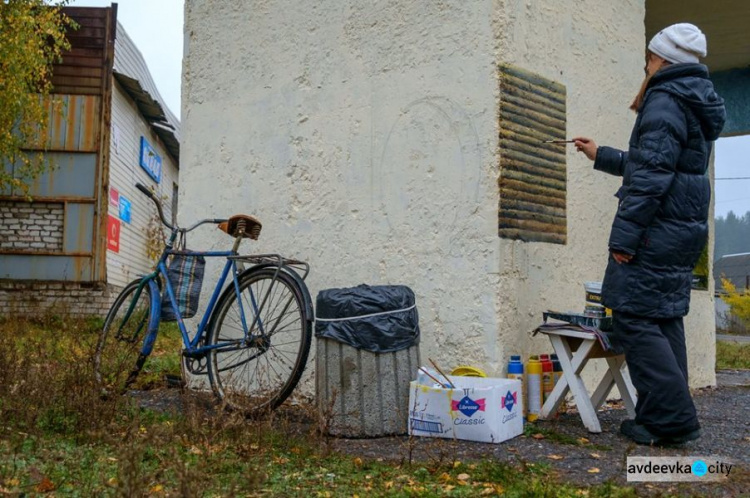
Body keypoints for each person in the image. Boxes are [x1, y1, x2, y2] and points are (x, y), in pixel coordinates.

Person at [574, 23, 726, 445]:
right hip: (680, 230)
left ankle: (673, 418)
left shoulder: (664, 102)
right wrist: (600, 154)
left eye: (649, 55)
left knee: (633, 316)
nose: (645, 62)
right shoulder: (690, 101)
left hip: (656, 230)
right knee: (662, 316)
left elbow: (651, 179)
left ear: (662, 59)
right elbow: (657, 165)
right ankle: (660, 420)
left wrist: (624, 239)